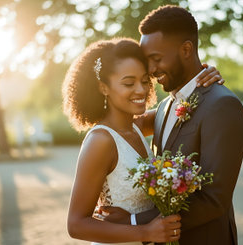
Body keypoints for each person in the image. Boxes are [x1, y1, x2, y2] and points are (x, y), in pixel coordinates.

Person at [101, 5, 243, 245]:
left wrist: (136, 222)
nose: (150, 70)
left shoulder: (223, 106)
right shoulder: (163, 108)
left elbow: (214, 200)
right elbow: (118, 126)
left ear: (187, 49)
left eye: (156, 59)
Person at [63, 38, 223, 244]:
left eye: (145, 81)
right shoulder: (101, 141)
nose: (141, 90)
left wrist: (203, 76)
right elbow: (76, 224)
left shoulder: (137, 126)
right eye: (129, 83)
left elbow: (182, 106)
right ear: (103, 87)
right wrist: (146, 233)